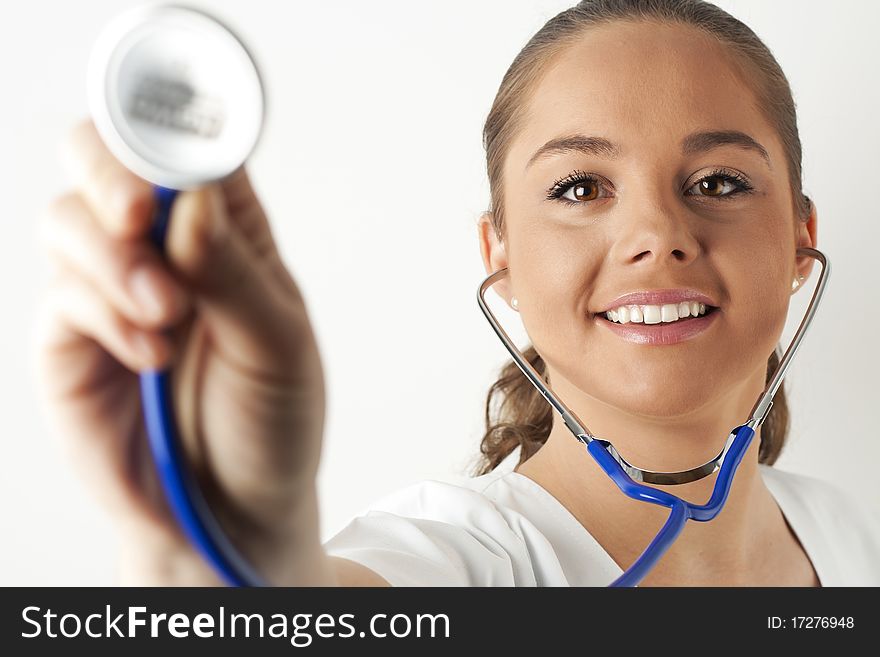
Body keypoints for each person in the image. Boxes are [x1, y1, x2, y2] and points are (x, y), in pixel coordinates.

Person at [33, 0, 880, 587]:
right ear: (498, 255)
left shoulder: (842, 532)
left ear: (802, 238)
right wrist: (214, 544)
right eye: (581, 187)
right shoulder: (461, 559)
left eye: (720, 181)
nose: (658, 234)